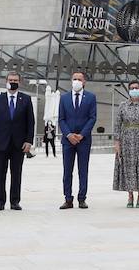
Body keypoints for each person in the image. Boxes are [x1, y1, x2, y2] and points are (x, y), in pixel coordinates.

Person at [0, 71, 35, 211]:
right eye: (10, 79)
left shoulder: (26, 99)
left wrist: (29, 141)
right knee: (0, 173)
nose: (13, 82)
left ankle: (15, 201)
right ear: (6, 81)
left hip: (19, 144)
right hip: (1, 143)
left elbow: (30, 122)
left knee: (16, 173)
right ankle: (0, 201)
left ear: (19, 82)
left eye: (15, 80)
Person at [113, 80, 139, 209]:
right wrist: (117, 142)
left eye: (136, 88)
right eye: (132, 88)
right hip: (126, 140)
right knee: (128, 168)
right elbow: (117, 124)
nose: (134, 90)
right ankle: (130, 196)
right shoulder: (123, 105)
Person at [58, 70, 97, 209]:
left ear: (84, 81)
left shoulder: (91, 97)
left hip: (84, 140)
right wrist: (69, 135)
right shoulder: (64, 98)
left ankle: (82, 198)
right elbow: (61, 119)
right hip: (68, 140)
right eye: (74, 79)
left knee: (83, 170)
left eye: (79, 79)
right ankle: (68, 198)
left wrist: (82, 135)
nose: (77, 81)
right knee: (67, 170)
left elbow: (92, 118)